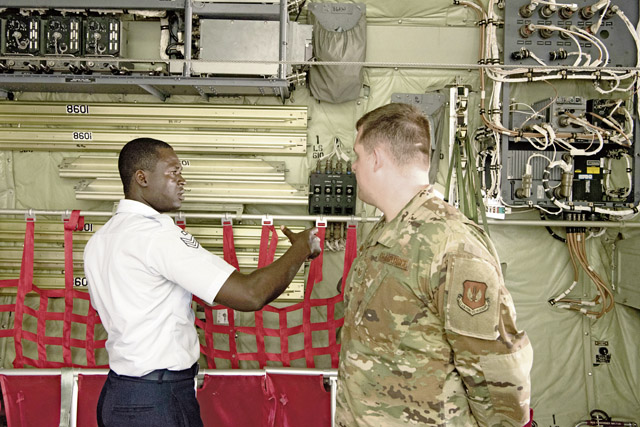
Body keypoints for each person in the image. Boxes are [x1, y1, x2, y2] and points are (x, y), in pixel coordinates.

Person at [84, 137, 321, 427]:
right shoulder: (157, 236)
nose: (182, 181)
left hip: (117, 395)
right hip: (157, 400)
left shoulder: (99, 240)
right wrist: (301, 247)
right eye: (173, 173)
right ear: (142, 178)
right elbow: (251, 294)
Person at [335, 103, 533, 426]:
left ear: (376, 158)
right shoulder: (386, 231)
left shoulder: (452, 245)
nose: (354, 166)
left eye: (357, 155)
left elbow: (498, 376)